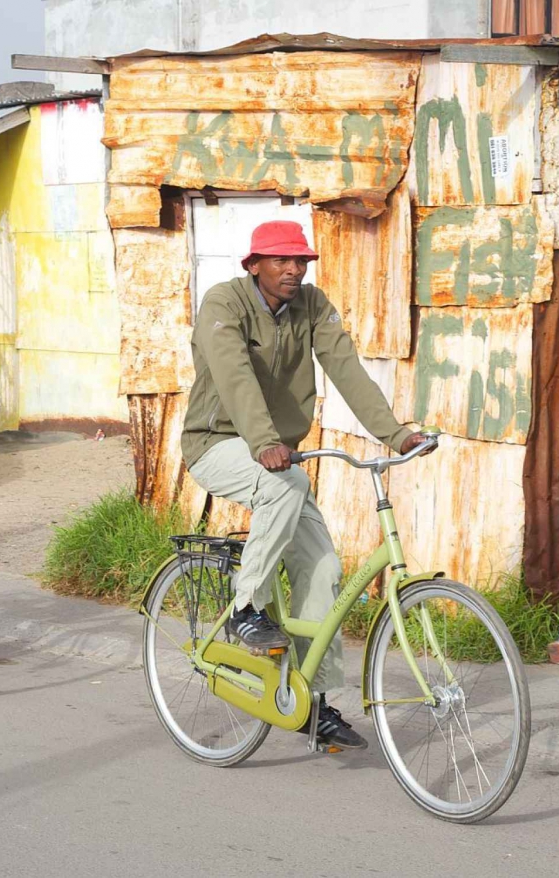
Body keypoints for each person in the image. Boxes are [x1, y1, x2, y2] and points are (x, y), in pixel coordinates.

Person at [182, 220, 434, 750]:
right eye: (281, 261)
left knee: (322, 566)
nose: (294, 270)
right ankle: (246, 609)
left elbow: (347, 370)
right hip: (218, 443)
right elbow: (233, 376)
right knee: (286, 483)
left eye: (301, 261)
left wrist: (396, 435)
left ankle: (313, 703)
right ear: (253, 265)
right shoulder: (222, 304)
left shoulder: (312, 306)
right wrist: (263, 440)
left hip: (277, 455)